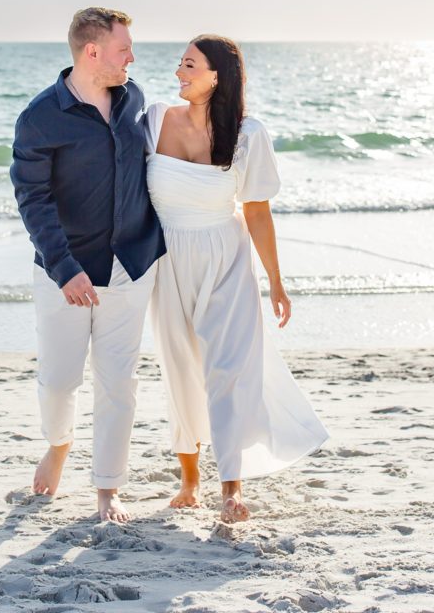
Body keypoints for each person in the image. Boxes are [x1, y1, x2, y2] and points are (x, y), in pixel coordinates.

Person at [145, 34, 328, 522]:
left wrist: (276, 280)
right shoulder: (154, 120)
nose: (178, 73)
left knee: (228, 370)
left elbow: (258, 212)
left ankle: (231, 487)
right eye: (180, 64)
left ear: (216, 77)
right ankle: (189, 480)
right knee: (179, 365)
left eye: (188, 65)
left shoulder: (248, 134)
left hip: (226, 256)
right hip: (167, 258)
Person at [9, 6, 166, 523]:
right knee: (58, 380)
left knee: (118, 381)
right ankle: (59, 443)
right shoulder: (39, 117)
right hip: (65, 270)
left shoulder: (133, 99)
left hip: (131, 264)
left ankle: (108, 488)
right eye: (124, 49)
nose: (132, 58)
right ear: (92, 51)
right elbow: (32, 199)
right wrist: (64, 266)